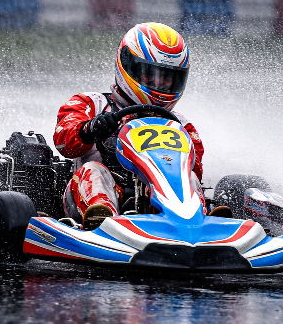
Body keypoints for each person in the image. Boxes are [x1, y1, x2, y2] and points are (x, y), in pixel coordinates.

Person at [53, 22, 204, 229]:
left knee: (190, 178)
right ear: (128, 65)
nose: (159, 83)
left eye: (167, 77)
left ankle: (198, 222)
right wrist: (91, 129)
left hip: (158, 201)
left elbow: (195, 169)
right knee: (94, 170)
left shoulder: (181, 125)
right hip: (92, 196)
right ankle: (103, 220)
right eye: (150, 73)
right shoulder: (92, 104)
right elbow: (63, 143)